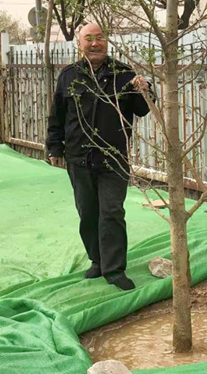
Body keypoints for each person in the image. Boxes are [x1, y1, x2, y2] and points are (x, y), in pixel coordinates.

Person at [46, 22, 153, 291]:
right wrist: (54, 147)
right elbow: (57, 115)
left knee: (112, 211)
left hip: (113, 158)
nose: (95, 43)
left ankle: (114, 269)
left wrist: (145, 88)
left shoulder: (123, 74)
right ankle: (97, 260)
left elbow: (142, 110)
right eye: (89, 38)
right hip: (78, 158)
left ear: (107, 41)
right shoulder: (69, 76)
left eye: (100, 38)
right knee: (88, 212)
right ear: (79, 43)